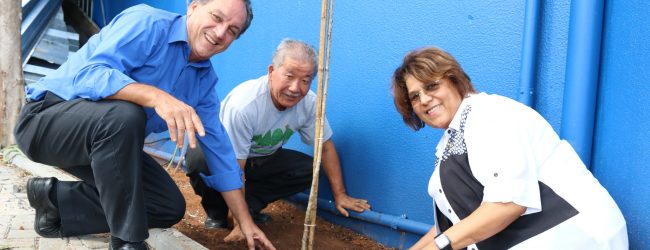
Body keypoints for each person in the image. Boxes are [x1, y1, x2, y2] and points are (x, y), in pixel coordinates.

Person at [13, 1, 275, 249]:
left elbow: (221, 155)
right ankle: (128, 242)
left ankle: (54, 200)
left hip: (104, 143)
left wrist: (245, 221)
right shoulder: (147, 23)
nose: (220, 33)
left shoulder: (203, 83)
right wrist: (156, 96)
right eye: (217, 18)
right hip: (44, 121)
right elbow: (89, 74)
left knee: (166, 204)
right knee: (126, 114)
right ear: (194, 6)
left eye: (232, 31)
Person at [390, 47, 628, 250]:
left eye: (432, 86)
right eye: (414, 97)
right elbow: (454, 223)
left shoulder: (490, 116)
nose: (424, 100)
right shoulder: (452, 139)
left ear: (455, 80)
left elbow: (507, 204)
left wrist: (437, 247)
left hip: (574, 238)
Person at [185, 38, 371, 240]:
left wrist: (340, 194)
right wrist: (241, 224)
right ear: (271, 71)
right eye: (289, 76)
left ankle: (250, 208)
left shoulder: (309, 103)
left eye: (305, 80)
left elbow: (325, 148)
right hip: (222, 153)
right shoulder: (245, 105)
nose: (295, 88)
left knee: (310, 169)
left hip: (263, 158)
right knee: (199, 159)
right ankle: (218, 214)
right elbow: (234, 167)